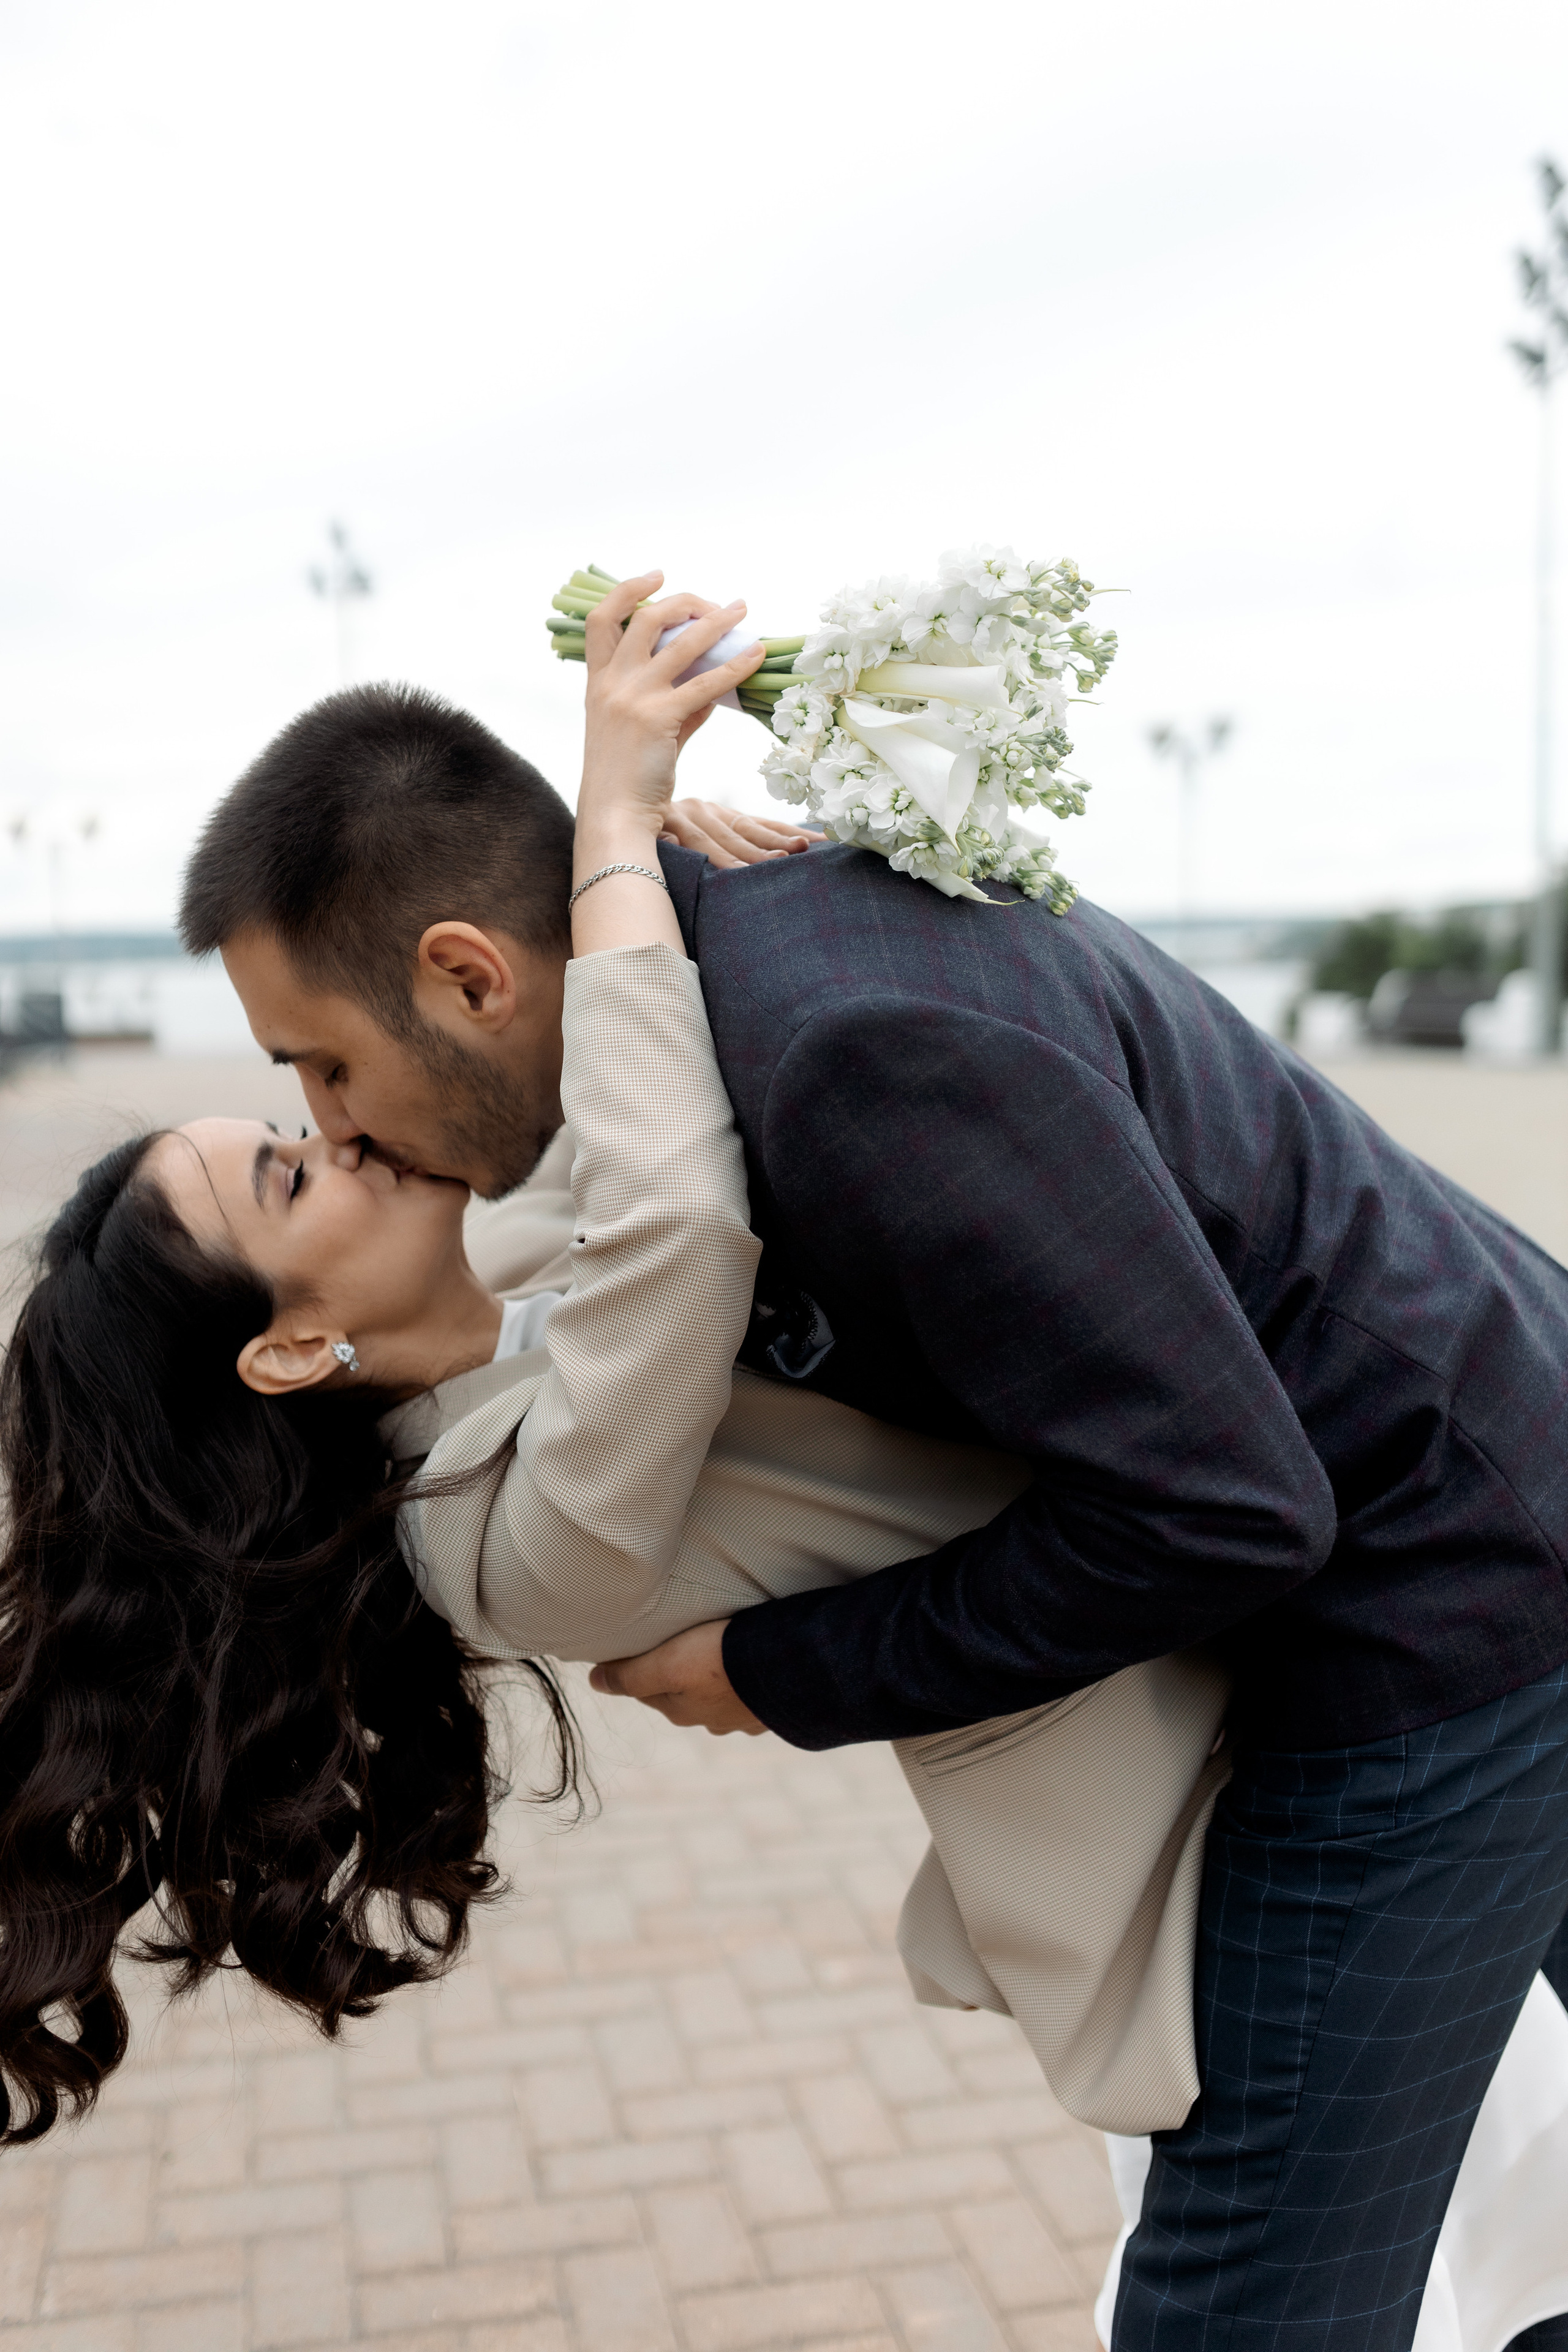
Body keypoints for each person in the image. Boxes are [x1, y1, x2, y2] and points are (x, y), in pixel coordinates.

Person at [178, 574, 1568, 2351]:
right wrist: (626, 846)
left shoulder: (846, 1052)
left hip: (1447, 1598)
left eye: (325, 1067)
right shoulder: (708, 977)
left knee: (1243, 2308)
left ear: (467, 976)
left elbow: (1224, 1508)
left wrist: (781, 1670)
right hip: (1483, 1457)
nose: (329, 1125)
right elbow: (616, 1195)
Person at [0, 600, 1221, 2165]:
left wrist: (607, 892)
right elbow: (679, 1227)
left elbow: (584, 1067)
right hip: (1188, 1851)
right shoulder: (498, 1557)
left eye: (307, 1111)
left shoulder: (510, 1232)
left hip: (1254, 1653)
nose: (348, 1134)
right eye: (298, 1176)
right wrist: (615, 833)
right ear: (294, 1347)